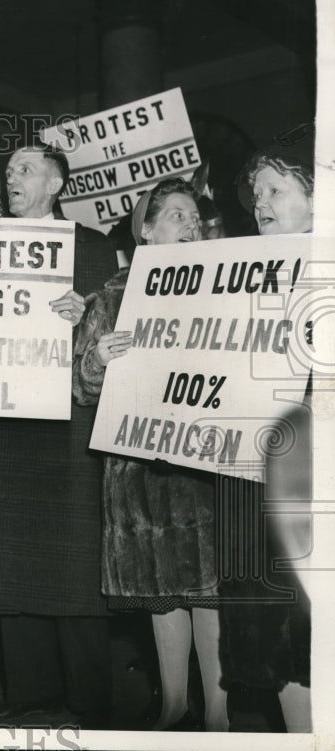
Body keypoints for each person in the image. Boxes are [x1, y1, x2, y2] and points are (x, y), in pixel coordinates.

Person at [0, 144, 119, 727]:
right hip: (4, 421)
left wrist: (86, 319)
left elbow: (114, 340)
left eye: (24, 170)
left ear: (55, 183)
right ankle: (29, 690)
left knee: (73, 568)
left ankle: (90, 698)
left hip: (67, 425)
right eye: (8, 171)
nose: (11, 179)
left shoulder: (95, 248)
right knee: (9, 565)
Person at [73, 178, 228, 731]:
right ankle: (173, 704)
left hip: (201, 467)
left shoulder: (222, 288)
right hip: (138, 471)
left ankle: (219, 715)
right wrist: (97, 358)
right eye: (177, 217)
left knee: (207, 591)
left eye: (194, 218)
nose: (190, 226)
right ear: (147, 229)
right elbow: (80, 388)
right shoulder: (113, 295)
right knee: (161, 593)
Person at [217, 142, 313, 731]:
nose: (261, 204)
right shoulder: (241, 276)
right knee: (271, 641)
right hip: (259, 488)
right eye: (256, 196)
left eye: (276, 190)